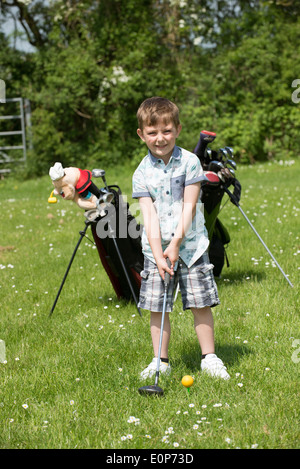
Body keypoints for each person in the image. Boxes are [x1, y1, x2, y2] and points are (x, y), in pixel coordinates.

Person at [132, 97, 230, 380]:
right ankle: (160, 361)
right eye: (152, 132)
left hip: (192, 248)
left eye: (166, 131)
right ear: (142, 134)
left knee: (200, 303)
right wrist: (158, 253)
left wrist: (174, 244)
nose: (160, 138)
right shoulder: (141, 173)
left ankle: (209, 358)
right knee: (157, 307)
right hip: (156, 254)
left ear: (177, 129)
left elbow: (190, 206)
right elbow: (148, 217)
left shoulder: (190, 162)